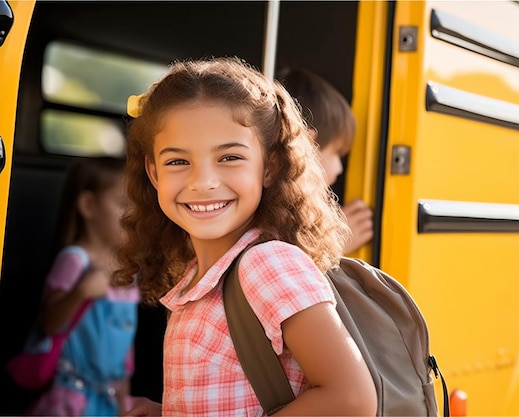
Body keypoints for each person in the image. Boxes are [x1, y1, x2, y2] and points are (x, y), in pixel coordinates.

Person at [115, 57, 377, 417]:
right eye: (178, 161)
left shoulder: (266, 264)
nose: (202, 181)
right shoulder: (197, 274)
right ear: (153, 171)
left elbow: (351, 399)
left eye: (229, 157)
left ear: (269, 166)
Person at [28, 156, 140, 416]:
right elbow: (50, 324)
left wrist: (124, 395)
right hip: (71, 398)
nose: (134, 215)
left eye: (138, 207)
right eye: (123, 204)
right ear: (88, 205)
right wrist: (81, 293)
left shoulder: (128, 270)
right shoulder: (74, 261)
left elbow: (125, 339)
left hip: (109, 398)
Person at [278, 66, 373, 254]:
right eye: (336, 152)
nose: (339, 168)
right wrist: (332, 244)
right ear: (308, 146)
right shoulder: (279, 215)